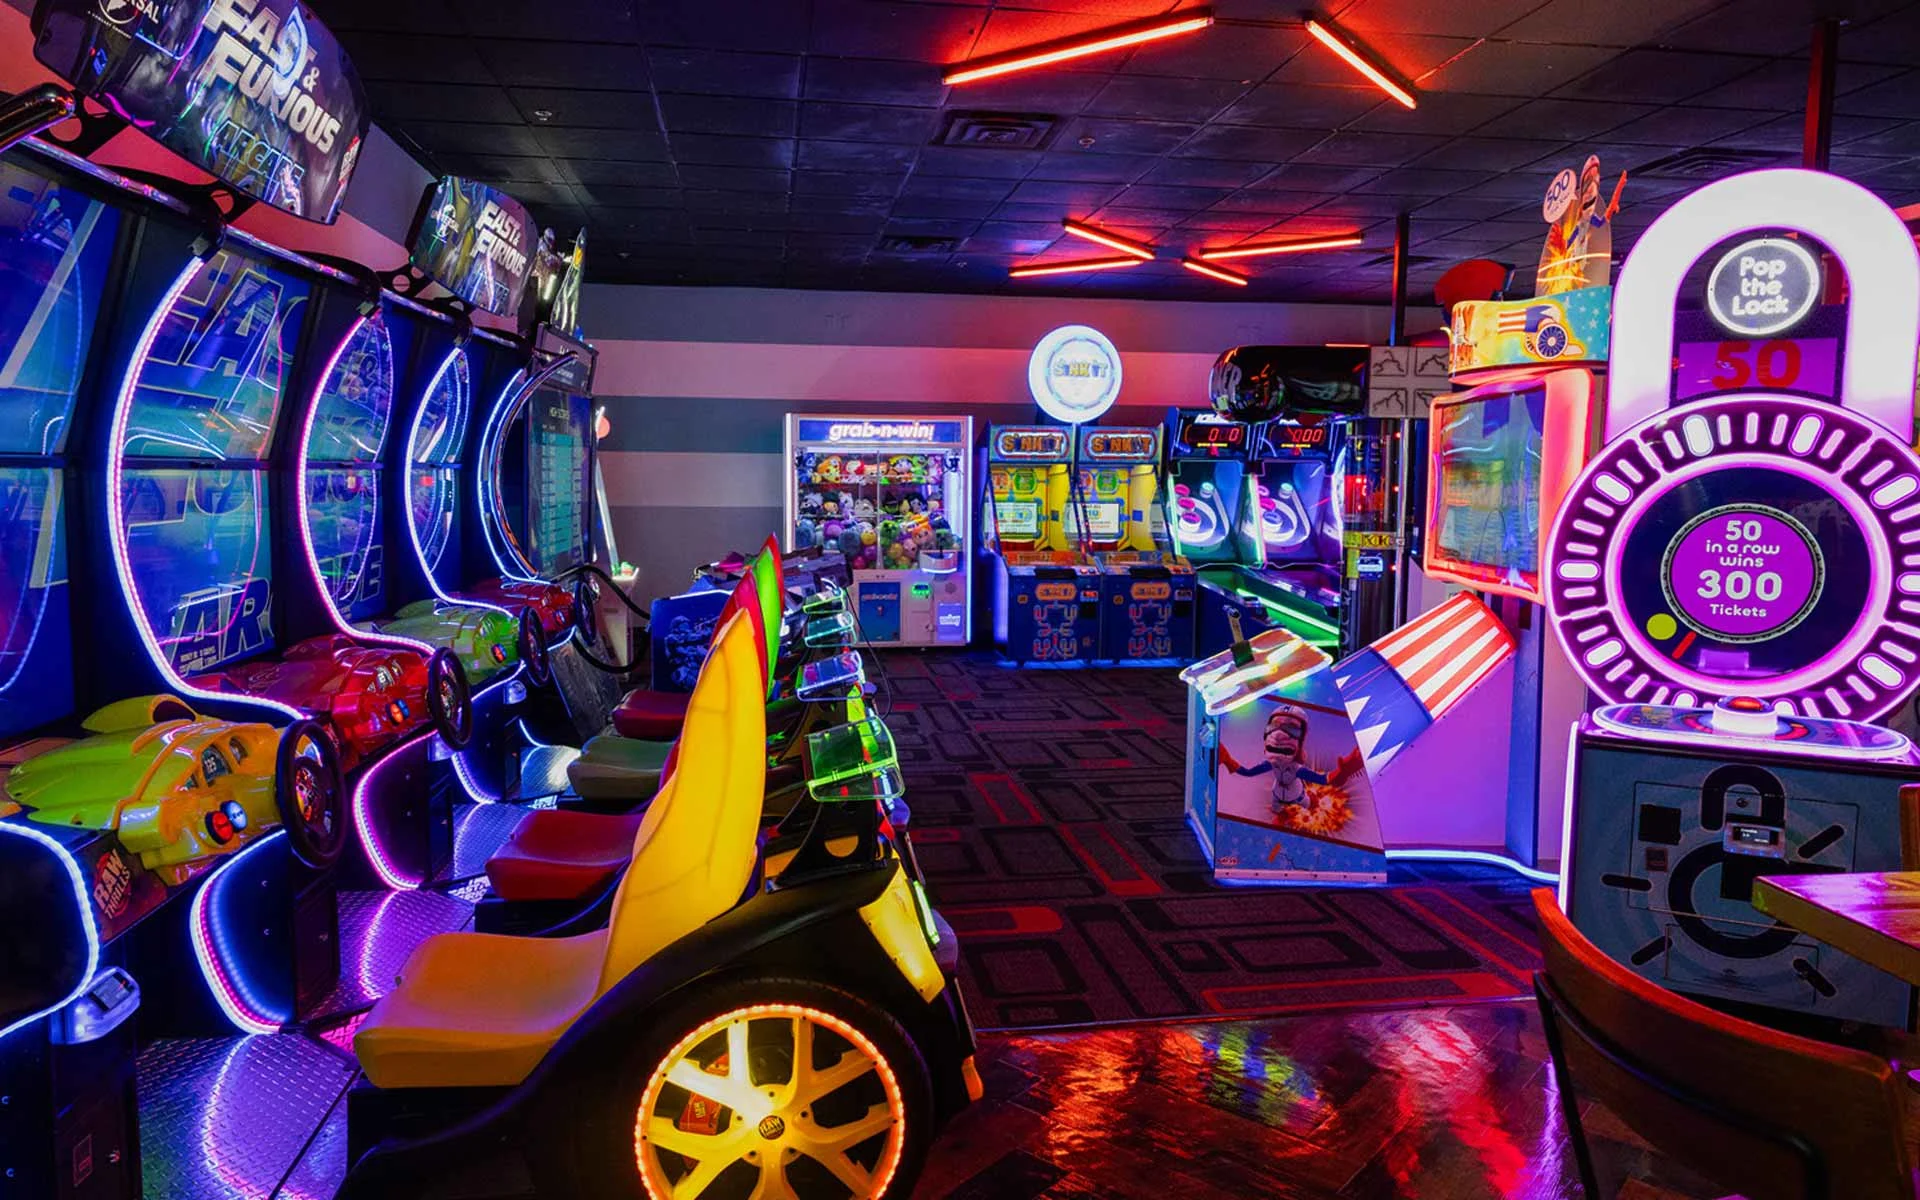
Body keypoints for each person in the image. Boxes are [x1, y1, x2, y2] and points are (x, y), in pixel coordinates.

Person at [1220, 704, 1325, 815]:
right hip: (1277, 795)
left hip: (1298, 796)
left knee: (1311, 806)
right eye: (1273, 727)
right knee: (1276, 813)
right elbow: (1249, 772)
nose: (1278, 735)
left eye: (1291, 729)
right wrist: (1228, 760)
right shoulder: (1271, 764)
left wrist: (1341, 771)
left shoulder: (1297, 769)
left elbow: (1323, 779)